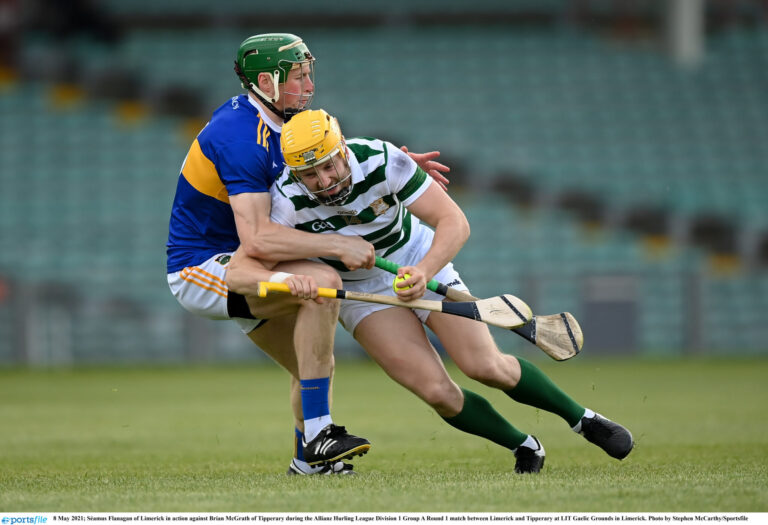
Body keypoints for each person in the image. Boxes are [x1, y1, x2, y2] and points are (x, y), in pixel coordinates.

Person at [265, 109, 635, 473]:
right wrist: (317, 261)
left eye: (329, 165)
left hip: (418, 257)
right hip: (358, 288)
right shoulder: (285, 198)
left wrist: (424, 272)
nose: (324, 180)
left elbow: (454, 221)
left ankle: (584, 420)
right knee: (437, 392)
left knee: (486, 367)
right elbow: (270, 251)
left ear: (343, 149)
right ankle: (523, 445)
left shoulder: (382, 160)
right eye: (310, 174)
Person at [166, 33, 450, 476]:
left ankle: (308, 460)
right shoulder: (241, 137)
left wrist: (388, 168)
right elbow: (258, 239)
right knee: (325, 284)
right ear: (267, 82)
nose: (309, 85)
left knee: (312, 364)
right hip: (205, 267)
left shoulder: (280, 121)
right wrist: (338, 244)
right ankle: (320, 434)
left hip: (259, 259)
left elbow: (315, 169)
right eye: (299, 77)